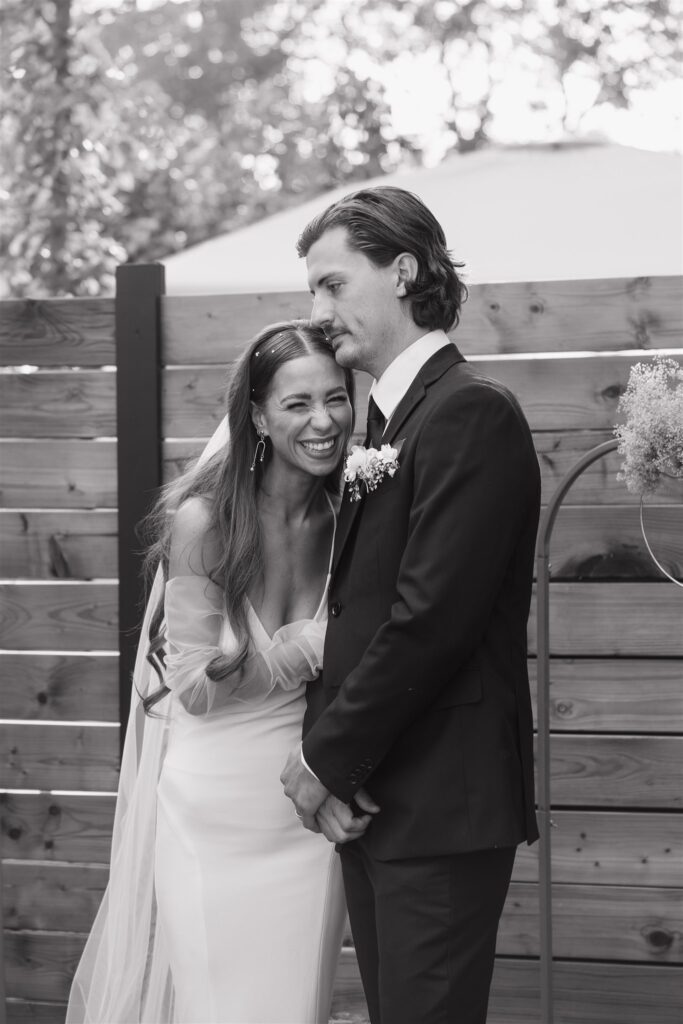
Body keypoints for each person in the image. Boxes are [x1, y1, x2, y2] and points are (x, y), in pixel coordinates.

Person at [281, 187, 541, 1024]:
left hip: (441, 807)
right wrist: (344, 775)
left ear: (402, 270)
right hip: (381, 800)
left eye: (331, 284)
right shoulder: (386, 423)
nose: (317, 313)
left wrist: (321, 761)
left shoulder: (468, 413)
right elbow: (362, 616)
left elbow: (430, 621)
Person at [67, 321, 358, 1024]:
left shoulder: (348, 514)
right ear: (257, 415)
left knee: (296, 1007)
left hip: (303, 810)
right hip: (214, 812)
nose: (322, 422)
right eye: (296, 404)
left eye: (336, 398)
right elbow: (194, 686)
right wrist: (315, 644)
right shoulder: (206, 522)